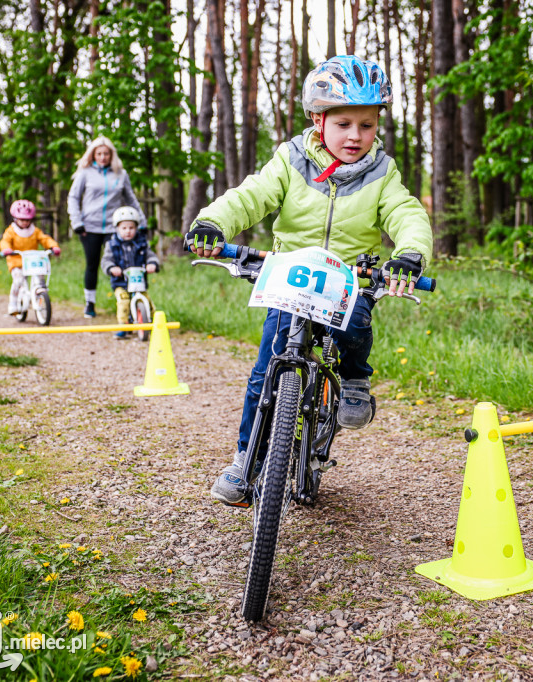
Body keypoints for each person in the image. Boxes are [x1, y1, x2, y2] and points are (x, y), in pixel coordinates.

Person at [184, 55, 433, 506]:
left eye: (367, 125)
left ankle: (355, 380)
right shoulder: (291, 160)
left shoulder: (381, 172)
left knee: (356, 322)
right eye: (343, 123)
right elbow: (251, 196)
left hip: (348, 277)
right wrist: (212, 223)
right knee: (266, 371)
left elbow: (405, 212)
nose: (355, 136)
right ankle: (246, 460)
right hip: (291, 275)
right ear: (318, 120)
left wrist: (409, 253)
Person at [67, 136, 147, 318]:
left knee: (122, 264)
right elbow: (73, 198)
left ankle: (128, 303)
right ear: (93, 155)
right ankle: (90, 303)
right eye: (99, 153)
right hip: (89, 227)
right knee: (92, 265)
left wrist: (141, 222)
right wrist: (76, 222)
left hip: (114, 228)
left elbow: (131, 199)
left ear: (112, 155)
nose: (103, 157)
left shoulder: (121, 174)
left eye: (106, 154)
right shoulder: (84, 173)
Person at [99, 206, 159, 339]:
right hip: (121, 282)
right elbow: (106, 260)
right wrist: (111, 268)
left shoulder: (142, 243)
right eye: (124, 228)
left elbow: (150, 255)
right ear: (117, 229)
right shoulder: (112, 245)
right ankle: (123, 326)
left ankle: (154, 323)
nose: (128, 231)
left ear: (136, 228)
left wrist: (152, 264)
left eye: (131, 228)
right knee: (123, 301)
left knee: (147, 301)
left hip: (139, 282)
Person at [0, 200, 60, 316]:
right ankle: (13, 303)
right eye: (22, 220)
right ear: (15, 219)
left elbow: (44, 239)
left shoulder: (35, 231)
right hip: (17, 261)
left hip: (32, 261)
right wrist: (6, 249)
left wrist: (53, 246)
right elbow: (5, 241)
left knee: (40, 279)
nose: (25, 223)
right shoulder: (11, 231)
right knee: (18, 280)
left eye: (27, 220)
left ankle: (39, 297)